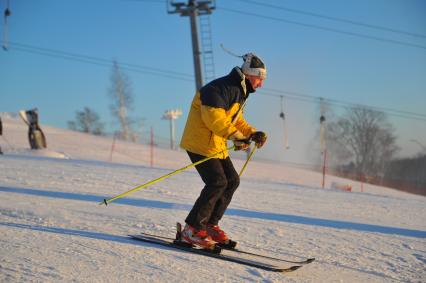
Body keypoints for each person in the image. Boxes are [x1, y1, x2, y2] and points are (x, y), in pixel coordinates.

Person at [179, 53, 268, 249]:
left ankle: (209, 226)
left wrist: (253, 133)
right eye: (260, 79)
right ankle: (192, 230)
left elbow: (236, 121)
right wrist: (238, 137)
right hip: (200, 144)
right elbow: (215, 120)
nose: (261, 84)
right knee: (217, 182)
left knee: (232, 181)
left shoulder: (239, 91)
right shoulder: (218, 89)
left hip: (216, 145)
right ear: (250, 74)